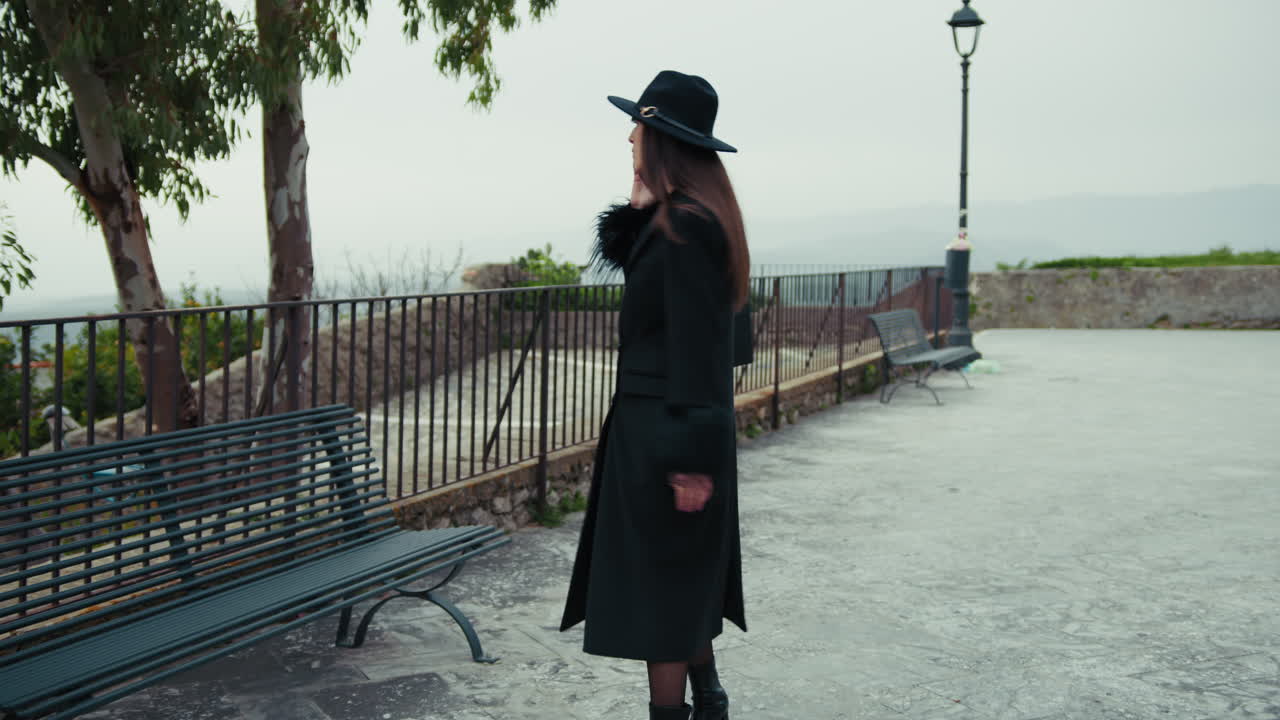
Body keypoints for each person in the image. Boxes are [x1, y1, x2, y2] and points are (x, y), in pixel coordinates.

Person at [560, 70, 749, 720]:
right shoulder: (686, 220)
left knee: (662, 601)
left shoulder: (690, 230)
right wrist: (640, 206)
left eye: (638, 127)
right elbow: (722, 339)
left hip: (670, 434)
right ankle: (711, 701)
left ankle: (684, 708)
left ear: (662, 138)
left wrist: (690, 461)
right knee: (677, 584)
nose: (630, 136)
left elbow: (706, 353)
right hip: (663, 428)